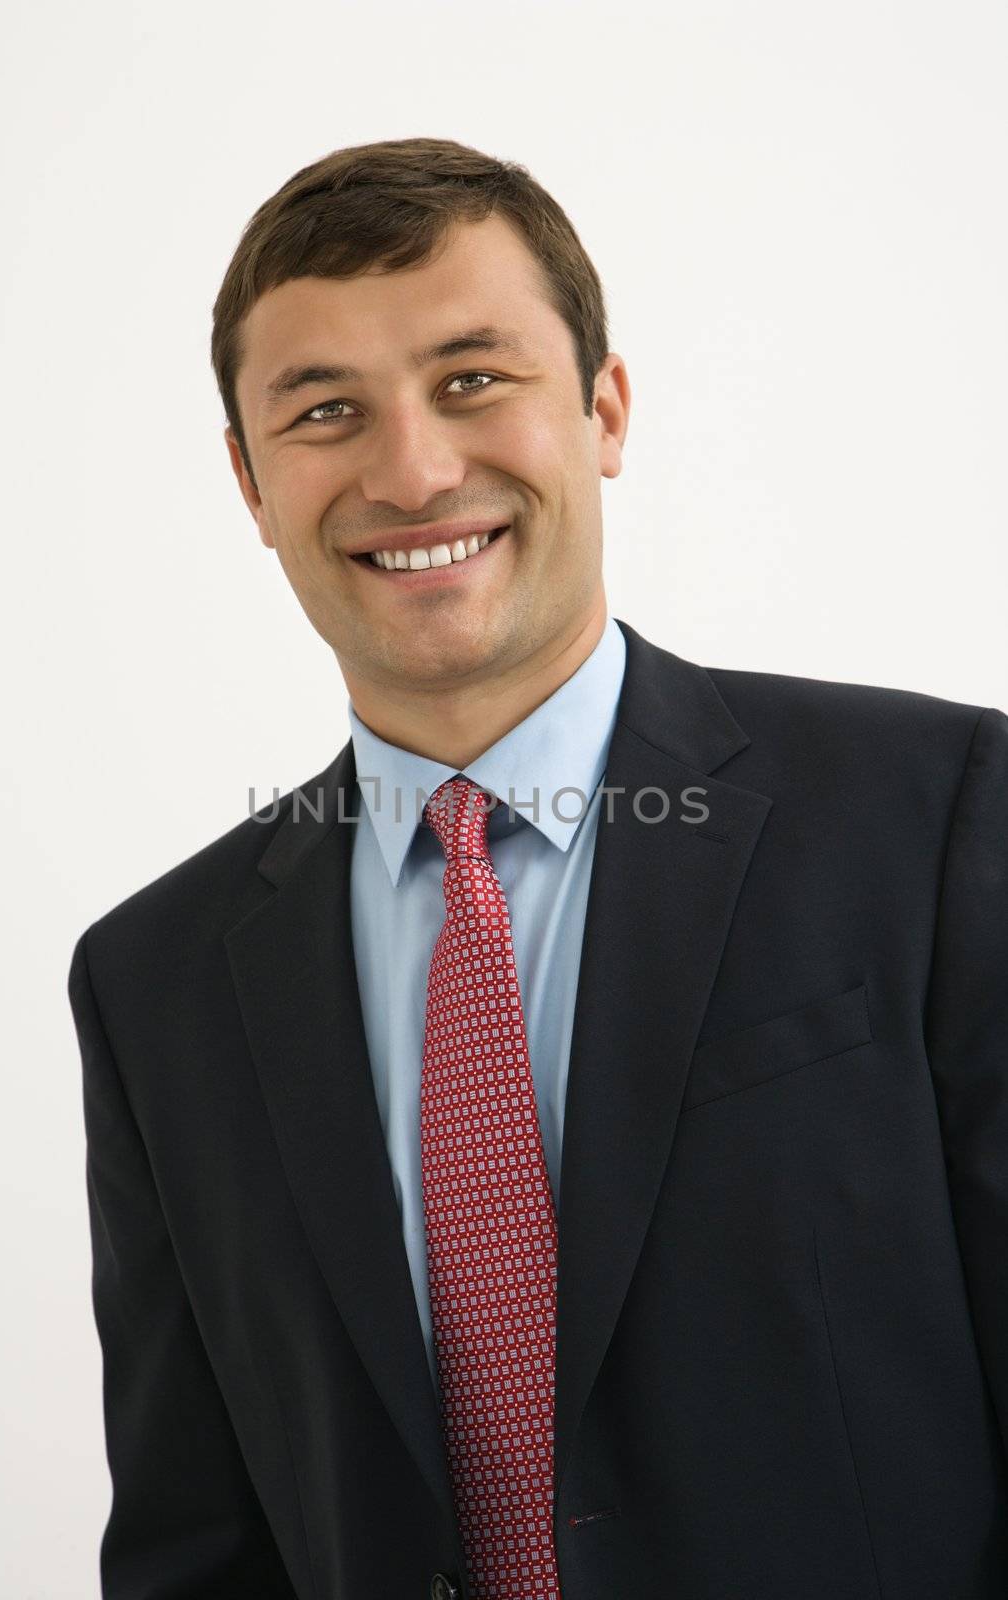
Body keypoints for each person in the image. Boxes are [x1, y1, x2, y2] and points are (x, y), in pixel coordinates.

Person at [68, 137, 1008, 1600]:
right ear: (251, 485)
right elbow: (199, 1538)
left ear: (605, 409)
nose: (415, 469)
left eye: (471, 380)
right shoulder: (156, 983)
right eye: (326, 412)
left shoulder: (937, 815)